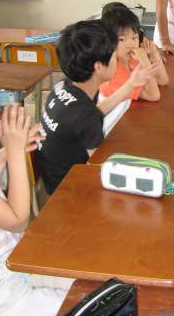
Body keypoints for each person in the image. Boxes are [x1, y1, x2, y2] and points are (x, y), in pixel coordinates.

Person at [0, 65, 67, 316]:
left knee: (85, 280)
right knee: (83, 315)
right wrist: (13, 153)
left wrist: (3, 156)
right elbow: (18, 219)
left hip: (13, 263)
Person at [35, 20, 159, 195]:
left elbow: (90, 114)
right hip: (68, 189)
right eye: (113, 56)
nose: (117, 60)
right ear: (99, 67)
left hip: (52, 175)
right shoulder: (85, 116)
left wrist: (131, 85)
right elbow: (102, 169)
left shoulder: (66, 86)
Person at [100, 2, 169, 102]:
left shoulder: (132, 60)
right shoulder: (113, 72)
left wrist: (154, 54)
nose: (131, 44)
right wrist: (145, 62)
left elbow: (163, 81)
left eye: (134, 37)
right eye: (122, 39)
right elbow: (153, 95)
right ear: (108, 41)